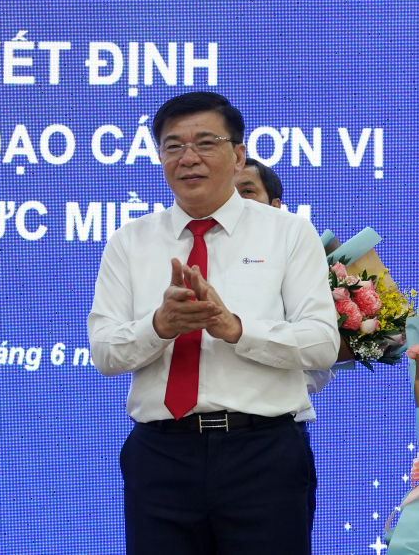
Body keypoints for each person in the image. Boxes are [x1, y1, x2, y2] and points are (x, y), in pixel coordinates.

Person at [87, 91, 339, 555]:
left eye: (205, 143)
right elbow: (104, 353)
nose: (188, 158)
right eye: (173, 146)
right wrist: (160, 325)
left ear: (238, 155)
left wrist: (236, 328)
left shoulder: (288, 233)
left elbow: (322, 342)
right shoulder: (130, 241)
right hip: (161, 455)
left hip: (263, 453)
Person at [235, 156, 335, 541]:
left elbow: (320, 358)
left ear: (276, 205)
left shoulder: (297, 256)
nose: (237, 202)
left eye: (247, 191)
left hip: (277, 432)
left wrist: (271, 372)